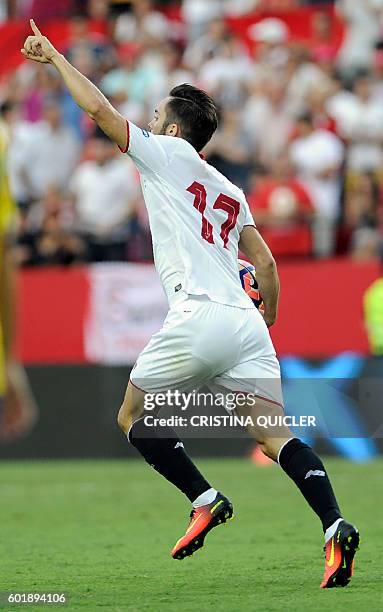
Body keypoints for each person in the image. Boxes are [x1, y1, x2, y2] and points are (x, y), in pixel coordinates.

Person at [21, 19, 359, 589]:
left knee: (131, 416)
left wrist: (56, 57)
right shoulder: (229, 189)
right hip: (247, 326)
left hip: (198, 315)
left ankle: (204, 498)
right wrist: (267, 316)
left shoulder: (165, 155)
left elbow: (101, 112)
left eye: (154, 117)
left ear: (174, 129)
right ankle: (334, 525)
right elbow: (268, 266)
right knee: (274, 435)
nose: (147, 124)